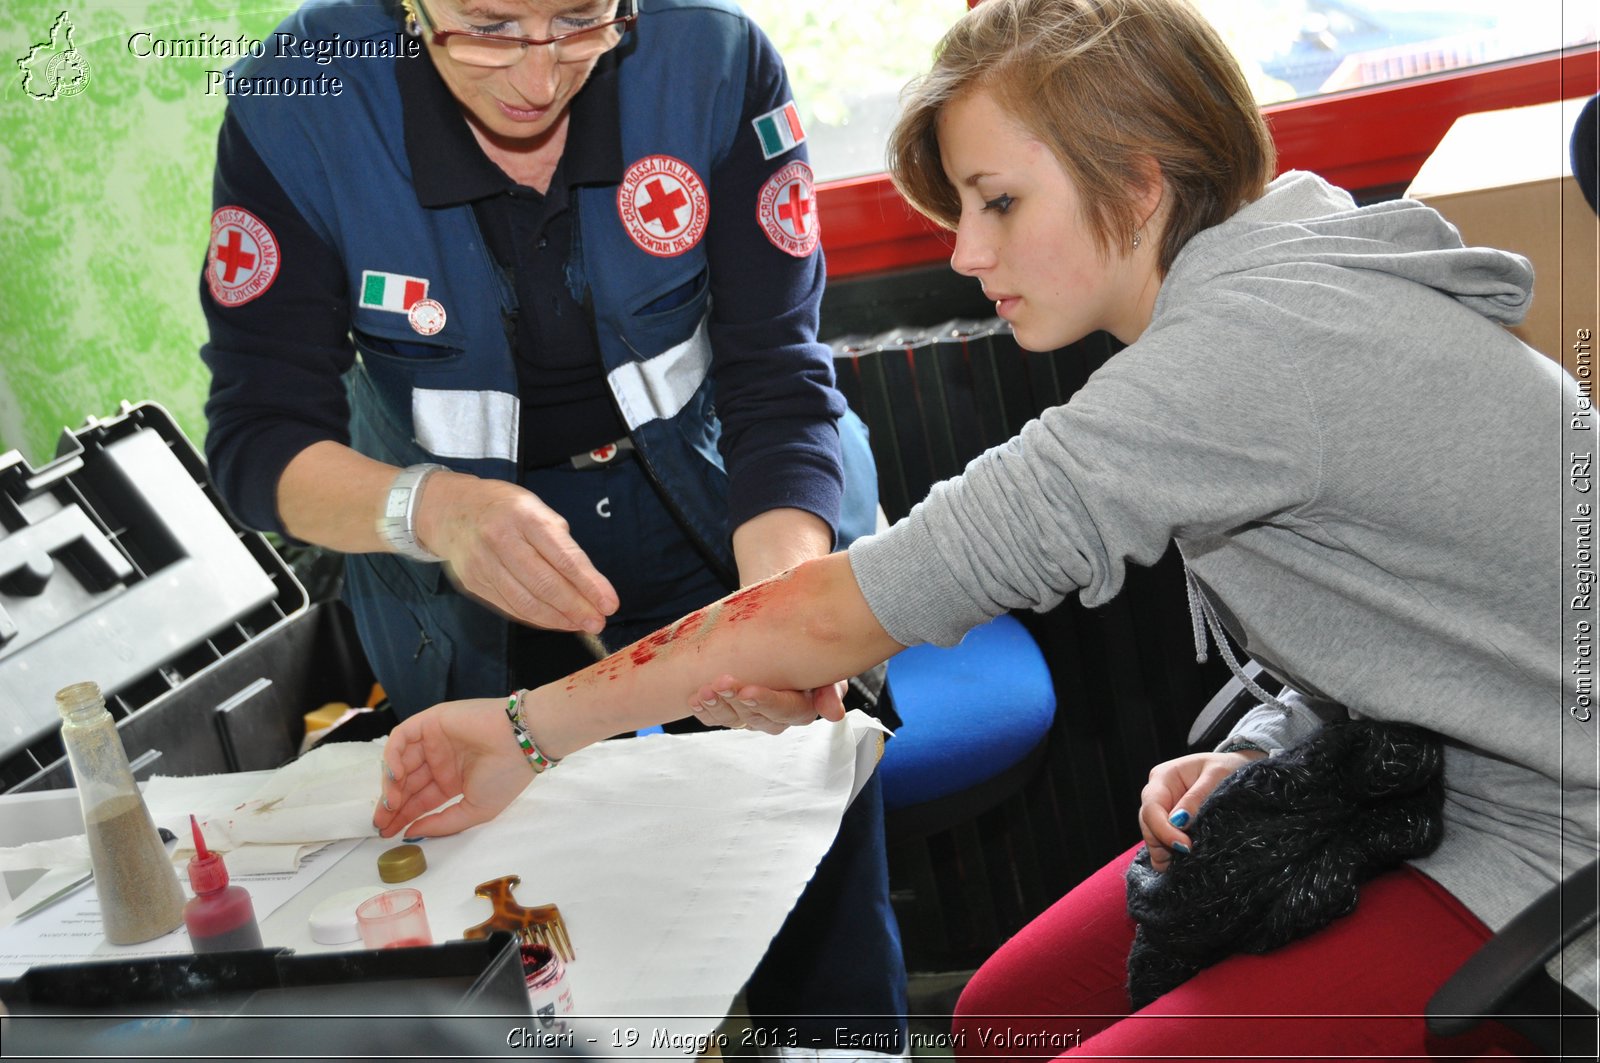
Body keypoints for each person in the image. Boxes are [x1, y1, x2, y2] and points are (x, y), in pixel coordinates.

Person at [375, 0, 1596, 1056]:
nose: (965, 252)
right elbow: (1431, 606)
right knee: (1000, 1017)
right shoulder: (1272, 274)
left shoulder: (1243, 357)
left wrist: (525, 730)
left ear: (1137, 177)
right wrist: (1281, 737)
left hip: (1553, 842)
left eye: (999, 204)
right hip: (1442, 771)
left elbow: (859, 597)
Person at [197, 0, 905, 1052]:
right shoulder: (298, 105)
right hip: (465, 570)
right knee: (527, 919)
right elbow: (257, 447)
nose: (538, 76)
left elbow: (778, 382)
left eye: (581, 21)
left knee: (806, 850)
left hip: (726, 510)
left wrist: (777, 613)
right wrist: (427, 509)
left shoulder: (711, 59)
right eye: (486, 26)